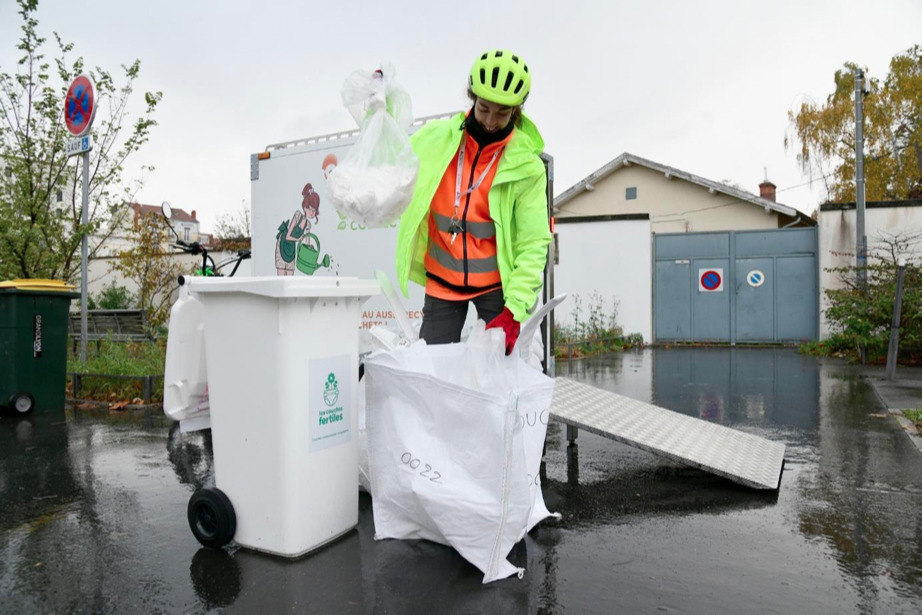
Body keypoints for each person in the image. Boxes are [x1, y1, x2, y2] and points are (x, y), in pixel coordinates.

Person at [395, 49, 551, 354]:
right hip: (442, 281)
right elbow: (392, 156)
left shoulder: (527, 167)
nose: (492, 121)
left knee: (502, 380)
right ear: (472, 99)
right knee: (434, 371)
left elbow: (533, 244)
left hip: (496, 289)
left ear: (517, 112)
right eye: (484, 109)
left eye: (502, 113)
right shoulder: (437, 139)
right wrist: (379, 113)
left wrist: (515, 310)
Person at [275, 183, 320, 275]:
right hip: (283, 244)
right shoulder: (297, 215)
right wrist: (298, 239)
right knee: (281, 275)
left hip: (291, 248)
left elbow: (307, 242)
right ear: (304, 207)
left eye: (314, 210)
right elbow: (288, 236)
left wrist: (309, 248)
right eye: (310, 209)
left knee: (290, 274)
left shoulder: (308, 224)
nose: (312, 213)